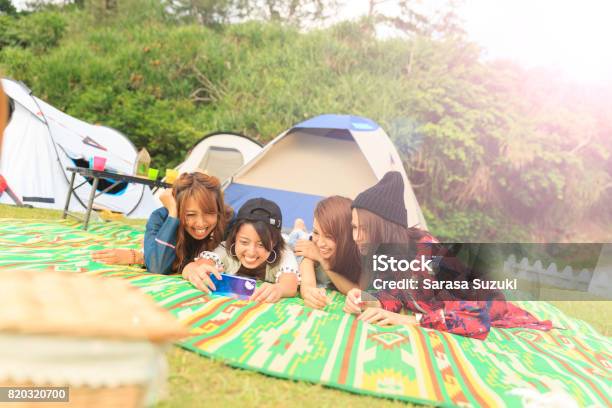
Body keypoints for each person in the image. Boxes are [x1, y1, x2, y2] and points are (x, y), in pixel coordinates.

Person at [343, 171, 552, 340]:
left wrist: (410, 321)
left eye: (364, 228)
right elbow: (393, 294)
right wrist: (367, 300)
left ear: (383, 228)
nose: (356, 236)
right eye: (354, 227)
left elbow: (476, 317)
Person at [93, 172, 232, 274]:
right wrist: (173, 215)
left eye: (209, 213)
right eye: (190, 214)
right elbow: (158, 266)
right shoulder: (160, 217)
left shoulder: (227, 218)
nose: (201, 223)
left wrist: (141, 257)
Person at [196, 198, 299, 303]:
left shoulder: (285, 254)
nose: (251, 252)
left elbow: (290, 285)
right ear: (235, 237)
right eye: (244, 242)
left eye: (261, 244)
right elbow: (205, 262)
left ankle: (298, 227)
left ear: (275, 242)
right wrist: (204, 269)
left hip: (290, 241)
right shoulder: (226, 248)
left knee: (296, 236)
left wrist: (279, 289)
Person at [292, 196, 362, 309]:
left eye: (329, 236)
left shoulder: (357, 252)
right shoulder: (311, 247)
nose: (320, 243)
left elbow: (358, 291)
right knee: (295, 236)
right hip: (301, 241)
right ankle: (299, 227)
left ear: (347, 237)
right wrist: (310, 295)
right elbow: (308, 285)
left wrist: (323, 260)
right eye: (316, 231)